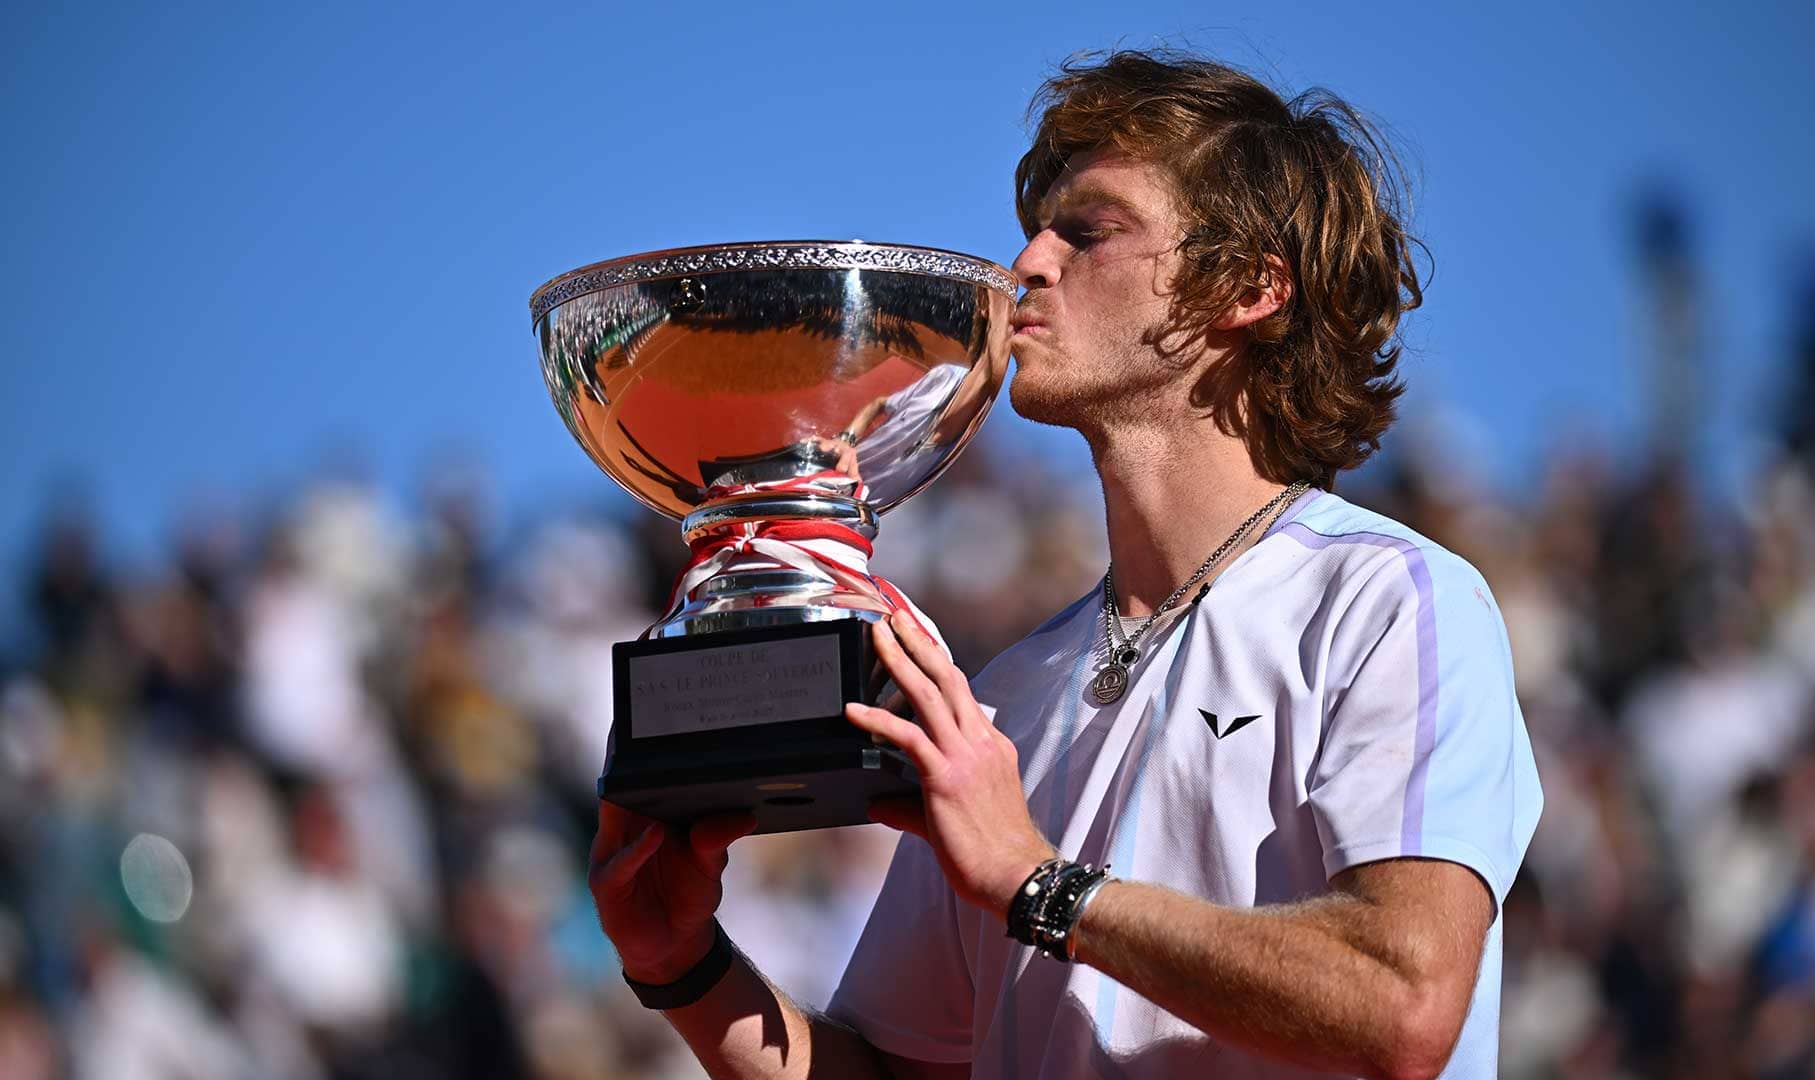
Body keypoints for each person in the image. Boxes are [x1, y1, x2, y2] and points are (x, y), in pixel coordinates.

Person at [590, 49, 1542, 1079]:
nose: (1026, 267)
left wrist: (1042, 886)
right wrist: (682, 966)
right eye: (1035, 230)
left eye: (1088, 231)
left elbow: (1401, 1002)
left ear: (1252, 288)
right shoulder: (1003, 698)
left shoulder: (1386, 601)